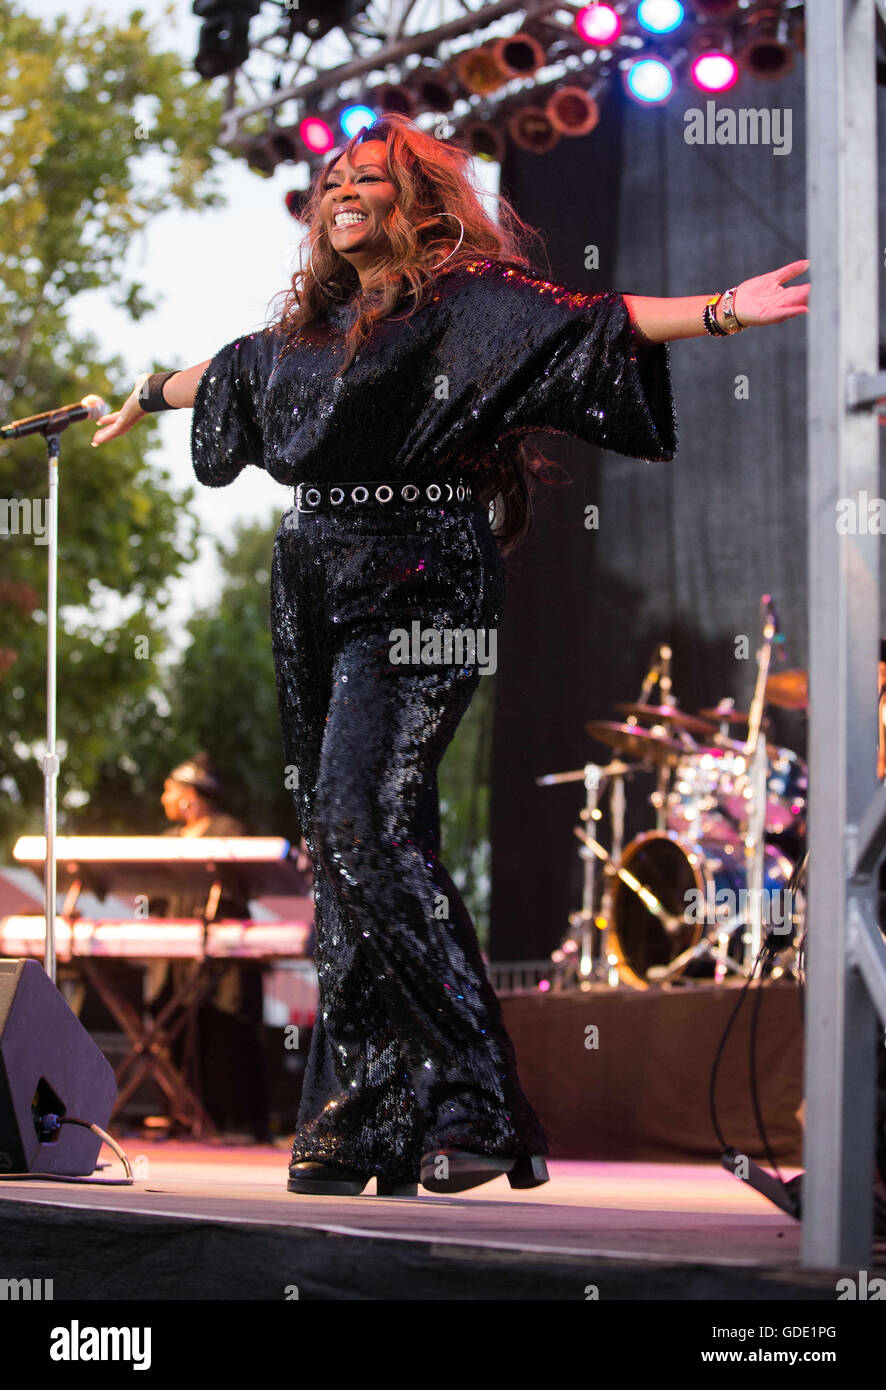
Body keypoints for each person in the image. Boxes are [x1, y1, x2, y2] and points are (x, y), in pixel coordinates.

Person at [92, 113, 809, 1196]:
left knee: (357, 822)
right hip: (313, 583)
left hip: (421, 575)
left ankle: (480, 1105)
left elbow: (598, 324)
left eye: (368, 176)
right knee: (340, 848)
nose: (342, 187)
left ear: (416, 205)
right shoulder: (307, 337)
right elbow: (224, 375)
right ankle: (364, 1111)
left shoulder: (470, 305)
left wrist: (718, 313)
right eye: (333, 175)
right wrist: (141, 395)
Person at [150, 753, 270, 1142]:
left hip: (222, 955)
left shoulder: (227, 830)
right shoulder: (168, 840)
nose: (163, 798)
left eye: (170, 790)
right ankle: (187, 1115)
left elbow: (243, 885)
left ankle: (237, 1122)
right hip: (177, 955)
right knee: (176, 1027)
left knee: (226, 1028)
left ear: (190, 795)